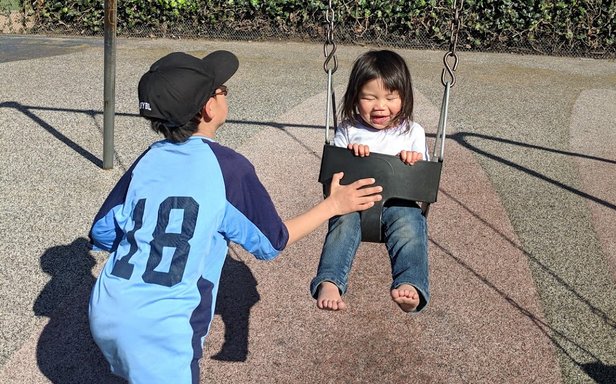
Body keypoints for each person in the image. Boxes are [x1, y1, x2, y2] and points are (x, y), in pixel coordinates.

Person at [88, 50, 382, 383]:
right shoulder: (228, 168)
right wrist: (333, 205)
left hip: (108, 305)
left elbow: (103, 232)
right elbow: (273, 242)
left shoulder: (146, 160)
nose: (225, 92)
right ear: (208, 109)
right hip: (164, 328)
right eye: (220, 89)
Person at [310, 49, 430, 313]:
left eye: (391, 97)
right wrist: (351, 159)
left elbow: (422, 177)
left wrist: (412, 158)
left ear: (404, 96)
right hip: (355, 201)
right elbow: (334, 181)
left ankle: (411, 284)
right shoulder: (348, 130)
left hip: (399, 204)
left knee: (410, 225)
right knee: (341, 222)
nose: (380, 106)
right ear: (355, 97)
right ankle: (329, 280)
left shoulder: (412, 131)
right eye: (369, 97)